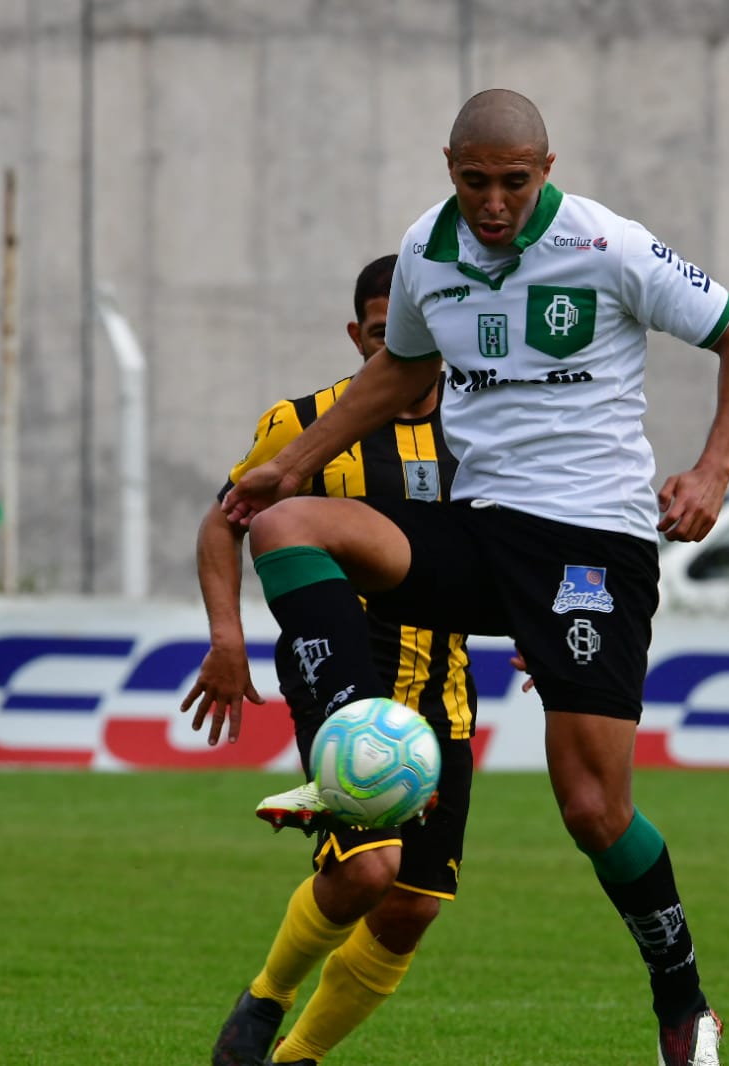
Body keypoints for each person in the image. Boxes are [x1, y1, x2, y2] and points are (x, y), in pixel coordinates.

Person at [198, 88, 729, 1065]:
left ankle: (682, 998)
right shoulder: (430, 247)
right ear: (450, 168)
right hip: (479, 529)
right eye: (476, 182)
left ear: (546, 170)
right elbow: (400, 377)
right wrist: (292, 465)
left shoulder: (609, 247)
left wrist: (714, 469)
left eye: (515, 182)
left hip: (593, 541)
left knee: (594, 810)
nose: (495, 201)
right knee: (291, 528)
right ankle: (349, 767)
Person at [183, 254, 479, 1066]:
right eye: (385, 336)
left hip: (443, 692)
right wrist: (226, 636)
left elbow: (511, 550)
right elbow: (225, 522)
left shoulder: (486, 428)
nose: (403, 349)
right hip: (337, 676)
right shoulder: (305, 422)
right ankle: (265, 1001)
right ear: (359, 336)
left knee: (411, 907)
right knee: (367, 869)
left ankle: (296, 1057)